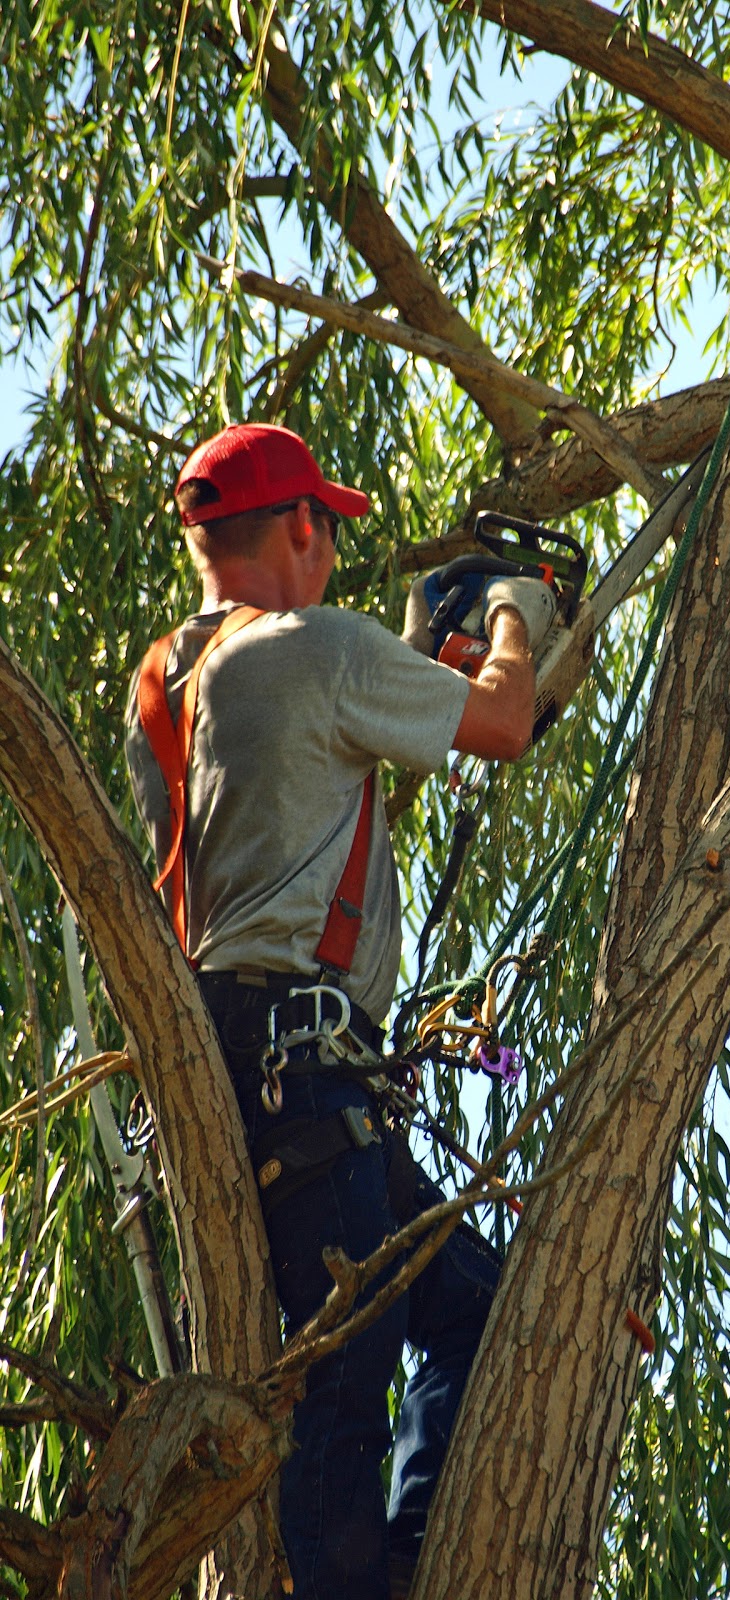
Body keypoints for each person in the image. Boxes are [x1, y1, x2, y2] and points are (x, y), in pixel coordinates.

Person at [123, 421, 555, 1600]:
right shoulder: (315, 647)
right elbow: (506, 721)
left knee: (476, 1301)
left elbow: (317, 774)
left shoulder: (168, 680)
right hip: (306, 1085)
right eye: (331, 531)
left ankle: (419, 1562)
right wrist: (515, 612)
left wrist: (416, 656)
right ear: (303, 527)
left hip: (238, 1079)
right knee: (338, 1421)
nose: (334, 553)